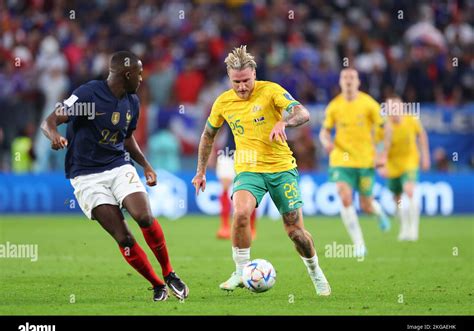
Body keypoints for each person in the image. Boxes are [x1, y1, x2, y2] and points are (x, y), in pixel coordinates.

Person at [40, 51, 188, 302]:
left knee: (144, 216)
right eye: (139, 74)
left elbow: (127, 137)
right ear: (127, 74)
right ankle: (156, 284)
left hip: (119, 165)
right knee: (124, 237)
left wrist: (146, 165)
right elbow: (50, 120)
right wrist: (54, 135)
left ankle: (169, 273)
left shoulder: (132, 101)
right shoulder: (88, 95)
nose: (142, 78)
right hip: (86, 176)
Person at [192, 46, 330, 296]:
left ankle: (314, 270)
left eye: (245, 81)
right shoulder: (223, 101)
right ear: (229, 78)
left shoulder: (271, 91)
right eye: (236, 82)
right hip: (248, 169)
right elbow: (208, 135)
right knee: (241, 213)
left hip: (281, 168)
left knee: (296, 233)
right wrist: (200, 171)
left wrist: (283, 121)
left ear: (254, 74)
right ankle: (240, 271)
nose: (242, 87)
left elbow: (303, 113)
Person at [319, 68, 391, 257]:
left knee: (366, 205)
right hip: (341, 160)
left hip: (365, 160)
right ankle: (359, 243)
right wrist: (326, 142)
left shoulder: (369, 104)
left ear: (358, 82)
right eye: (345, 77)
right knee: (345, 197)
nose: (348, 80)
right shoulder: (334, 106)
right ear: (340, 82)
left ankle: (378, 211)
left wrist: (382, 154)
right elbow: (324, 131)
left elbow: (385, 129)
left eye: (352, 77)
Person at [379, 96, 430, 241]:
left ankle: (413, 229)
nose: (393, 111)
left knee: (409, 190)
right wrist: (381, 165)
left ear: (402, 108)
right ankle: (404, 227)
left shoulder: (411, 120)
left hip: (410, 162)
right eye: (390, 108)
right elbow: (378, 146)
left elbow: (422, 136)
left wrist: (425, 156)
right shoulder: (384, 125)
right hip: (392, 165)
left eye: (396, 108)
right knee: (397, 199)